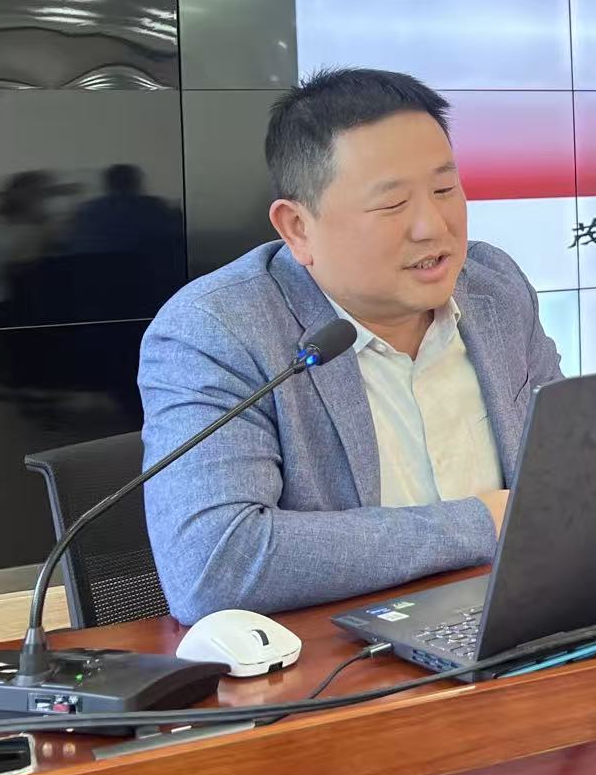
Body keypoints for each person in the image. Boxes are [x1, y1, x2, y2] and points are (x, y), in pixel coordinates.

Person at [139, 68, 563, 623]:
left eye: (444, 189)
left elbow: (567, 473)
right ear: (298, 228)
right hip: (343, 654)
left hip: (519, 621)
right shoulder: (219, 329)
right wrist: (480, 524)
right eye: (392, 204)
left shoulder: (494, 288)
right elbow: (214, 566)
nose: (432, 226)